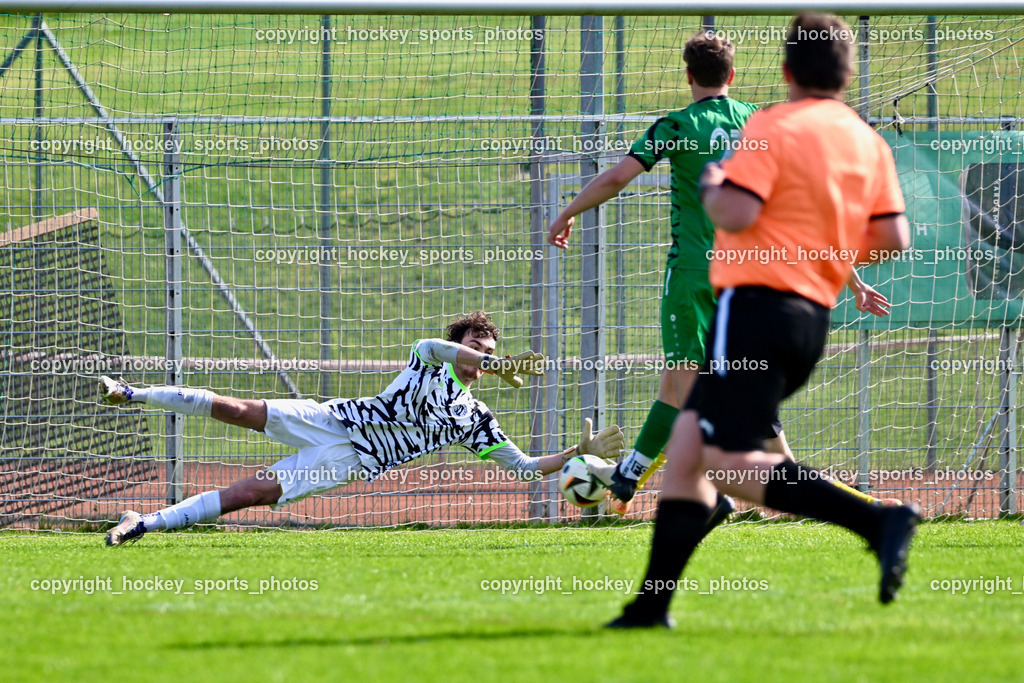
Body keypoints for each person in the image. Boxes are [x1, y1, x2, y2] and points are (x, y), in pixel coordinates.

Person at [606, 13, 919, 628]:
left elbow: (736, 209)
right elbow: (892, 236)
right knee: (693, 442)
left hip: (753, 308)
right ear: (847, 73)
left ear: (785, 71)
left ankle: (877, 518)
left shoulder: (771, 125)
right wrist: (829, 259)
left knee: (724, 461)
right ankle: (650, 607)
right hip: (810, 317)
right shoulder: (862, 137)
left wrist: (716, 183)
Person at [547, 30, 894, 517]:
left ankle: (718, 493)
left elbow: (616, 177)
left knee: (698, 396)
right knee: (687, 386)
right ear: (732, 75)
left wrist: (567, 214)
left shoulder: (674, 125)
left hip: (692, 276)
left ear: (688, 75)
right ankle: (629, 483)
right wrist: (853, 280)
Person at [102, 311, 624, 545]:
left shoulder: (476, 420)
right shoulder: (430, 361)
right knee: (238, 408)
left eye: (487, 353)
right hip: (335, 418)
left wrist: (576, 450)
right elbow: (437, 347)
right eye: (474, 349)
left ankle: (145, 521)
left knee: (252, 491)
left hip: (347, 461)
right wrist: (492, 364)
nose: (478, 358)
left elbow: (527, 469)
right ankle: (132, 392)